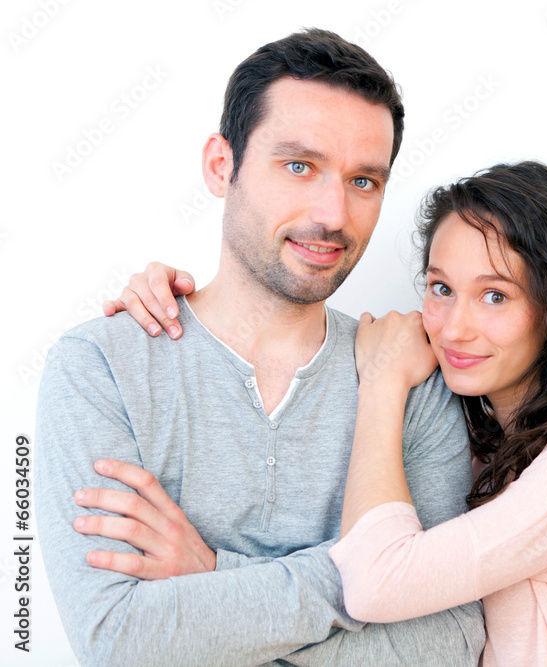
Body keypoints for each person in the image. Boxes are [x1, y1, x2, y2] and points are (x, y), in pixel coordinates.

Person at [117, 161, 547, 665]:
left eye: (495, 295)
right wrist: (185, 308)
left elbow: (376, 582)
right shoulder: (490, 438)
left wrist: (383, 384)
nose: (454, 327)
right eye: (440, 288)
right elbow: (395, 629)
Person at [35, 28, 484, 666]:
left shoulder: (411, 379)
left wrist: (213, 572)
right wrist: (373, 573)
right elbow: (119, 639)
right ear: (222, 166)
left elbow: (448, 645)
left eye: (364, 181)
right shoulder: (103, 367)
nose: (333, 213)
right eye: (298, 165)